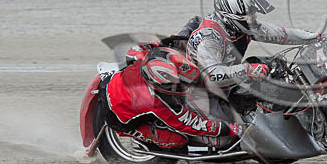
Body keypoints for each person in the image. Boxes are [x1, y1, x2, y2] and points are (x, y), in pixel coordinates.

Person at [187, 0, 327, 103]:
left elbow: (282, 34)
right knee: (264, 89)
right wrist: (247, 70)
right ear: (229, 17)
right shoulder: (209, 37)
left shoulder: (242, 27)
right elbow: (211, 76)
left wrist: (317, 37)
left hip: (229, 83)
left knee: (276, 66)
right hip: (202, 95)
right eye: (247, 18)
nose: (252, 21)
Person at [104, 30, 243, 150]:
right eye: (172, 85)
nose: (176, 87)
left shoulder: (145, 55)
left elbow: (145, 47)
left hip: (117, 83)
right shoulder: (157, 103)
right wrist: (232, 129)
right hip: (119, 118)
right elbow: (192, 124)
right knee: (178, 141)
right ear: (158, 85)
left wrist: (176, 40)